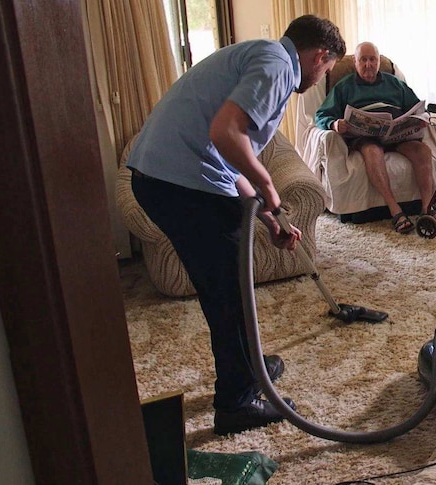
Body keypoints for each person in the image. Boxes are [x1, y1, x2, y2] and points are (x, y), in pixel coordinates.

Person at [127, 15, 346, 436]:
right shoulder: (279, 67)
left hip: (165, 178)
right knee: (229, 293)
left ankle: (248, 366)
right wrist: (268, 184)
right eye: (326, 69)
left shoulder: (260, 56)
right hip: (181, 184)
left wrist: (269, 215)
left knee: (226, 287)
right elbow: (226, 131)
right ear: (320, 55)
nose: (322, 77)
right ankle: (237, 403)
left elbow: (227, 155)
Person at [314, 41, 436, 234]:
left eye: (372, 59)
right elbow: (321, 115)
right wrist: (334, 124)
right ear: (355, 61)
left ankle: (427, 208)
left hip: (396, 135)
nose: (368, 64)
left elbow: (417, 107)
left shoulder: (394, 83)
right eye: (363, 60)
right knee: (372, 150)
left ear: (379, 61)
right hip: (366, 138)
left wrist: (420, 119)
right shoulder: (344, 87)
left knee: (422, 151)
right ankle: (395, 210)